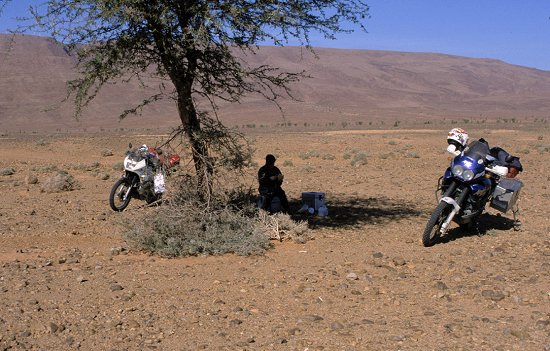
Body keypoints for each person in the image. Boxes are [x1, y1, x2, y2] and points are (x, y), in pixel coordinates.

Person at [446, 127, 523, 178]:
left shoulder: (498, 153)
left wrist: (498, 168)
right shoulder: (473, 148)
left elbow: (504, 168)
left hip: (488, 172)